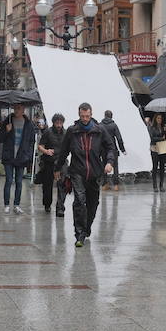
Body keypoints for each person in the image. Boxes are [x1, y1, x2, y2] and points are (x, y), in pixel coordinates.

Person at [54, 103, 116, 247]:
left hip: (95, 173)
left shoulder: (100, 130)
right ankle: (79, 234)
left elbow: (110, 147)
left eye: (87, 116)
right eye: (82, 116)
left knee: (93, 203)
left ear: (91, 114)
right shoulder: (72, 131)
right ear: (79, 115)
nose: (85, 119)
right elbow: (64, 152)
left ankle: (86, 228)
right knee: (79, 201)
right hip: (77, 172)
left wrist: (110, 162)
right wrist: (57, 168)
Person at [0, 103, 36, 214]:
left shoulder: (28, 124)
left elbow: (32, 141)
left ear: (23, 109)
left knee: (19, 181)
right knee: (9, 180)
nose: (16, 110)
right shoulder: (7, 121)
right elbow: (0, 138)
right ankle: (6, 204)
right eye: (15, 108)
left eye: (19, 108)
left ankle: (17, 205)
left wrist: (28, 154)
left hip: (21, 156)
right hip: (9, 156)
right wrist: (6, 131)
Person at [38, 113, 67, 214]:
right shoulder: (48, 132)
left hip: (61, 161)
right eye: (57, 123)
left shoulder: (66, 133)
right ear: (53, 123)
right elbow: (40, 146)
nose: (59, 125)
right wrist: (46, 151)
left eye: (60, 123)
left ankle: (60, 207)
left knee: (62, 185)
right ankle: (47, 204)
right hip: (49, 161)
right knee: (47, 185)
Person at [99, 110, 126, 191]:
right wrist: (122, 149)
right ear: (111, 116)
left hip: (103, 149)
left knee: (104, 166)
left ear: (104, 116)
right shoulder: (114, 125)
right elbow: (119, 138)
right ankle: (116, 185)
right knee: (115, 167)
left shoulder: (100, 125)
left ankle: (104, 185)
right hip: (112, 149)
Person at [148, 114, 166, 192]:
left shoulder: (163, 128)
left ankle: (161, 185)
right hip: (155, 147)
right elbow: (152, 138)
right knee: (155, 167)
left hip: (163, 147)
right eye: (158, 118)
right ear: (155, 119)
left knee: (162, 167)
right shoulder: (152, 127)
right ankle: (155, 186)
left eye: (160, 118)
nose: (159, 119)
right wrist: (161, 138)